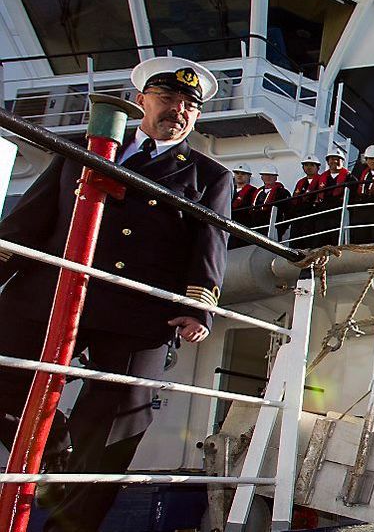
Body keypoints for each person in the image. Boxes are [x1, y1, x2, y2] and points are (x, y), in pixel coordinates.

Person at [0, 56, 231, 532]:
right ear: (142, 101)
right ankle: (54, 448)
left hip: (137, 311)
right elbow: (33, 217)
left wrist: (198, 304)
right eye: (167, 99)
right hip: (51, 293)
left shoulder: (208, 176)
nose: (177, 110)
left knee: (111, 434)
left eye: (189, 105)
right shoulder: (87, 148)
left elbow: (211, 241)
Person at [315, 150, 353, 245]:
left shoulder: (350, 178)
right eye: (331, 159)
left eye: (337, 159)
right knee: (321, 237)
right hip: (323, 213)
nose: (334, 161)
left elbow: (353, 196)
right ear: (327, 162)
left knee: (336, 237)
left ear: (342, 161)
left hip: (338, 212)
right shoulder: (321, 179)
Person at [251, 165, 291, 241]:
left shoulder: (283, 193)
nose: (268, 177)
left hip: (273, 227)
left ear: (276, 178)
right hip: (256, 228)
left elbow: (288, 212)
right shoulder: (258, 193)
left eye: (271, 175)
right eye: (265, 175)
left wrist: (281, 228)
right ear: (262, 177)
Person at [289, 155, 321, 249]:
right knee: (296, 240)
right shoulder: (300, 183)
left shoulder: (321, 181)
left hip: (313, 216)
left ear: (318, 167)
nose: (309, 167)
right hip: (299, 216)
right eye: (306, 165)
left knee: (310, 241)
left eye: (312, 165)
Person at [229, 163, 257, 248]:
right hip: (228, 225)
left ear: (249, 176)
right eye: (237, 173)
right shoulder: (228, 190)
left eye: (243, 174)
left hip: (243, 226)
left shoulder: (253, 191)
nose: (239, 176)